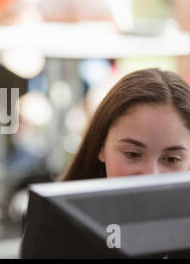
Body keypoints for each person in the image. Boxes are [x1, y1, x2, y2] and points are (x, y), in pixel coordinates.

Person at [60, 68, 190, 181]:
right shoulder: (50, 209)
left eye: (172, 159)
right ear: (101, 146)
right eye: (132, 154)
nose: (151, 176)